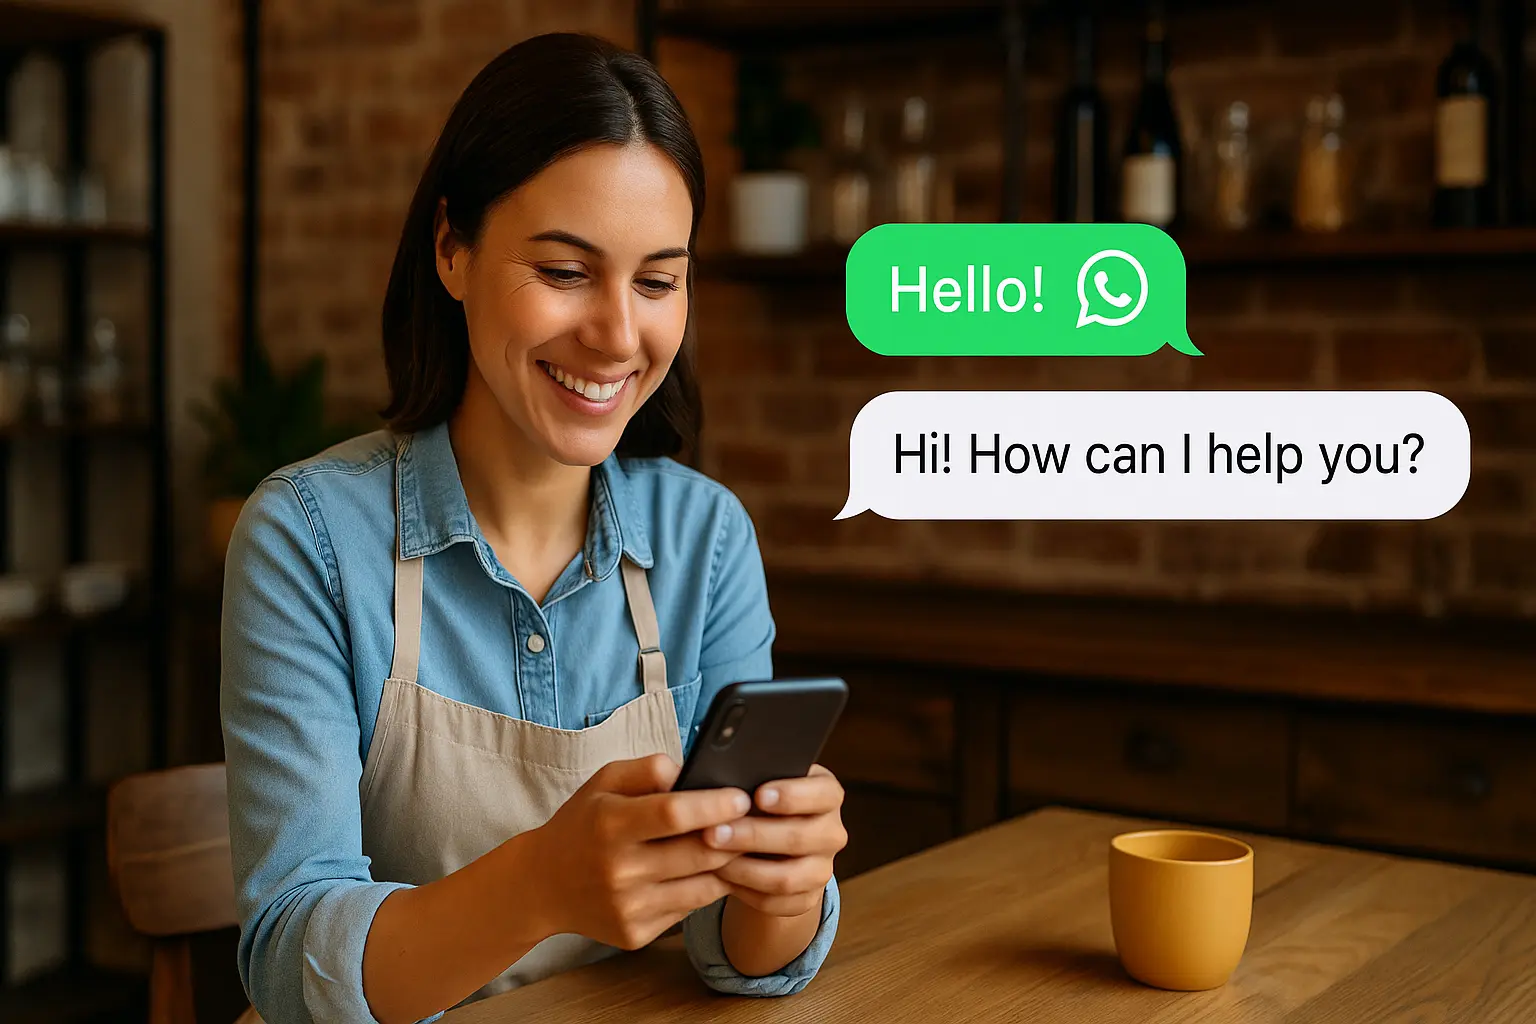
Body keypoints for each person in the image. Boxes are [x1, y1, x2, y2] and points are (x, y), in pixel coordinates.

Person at [219, 32, 846, 1024]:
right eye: (564, 270)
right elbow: (290, 958)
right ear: (451, 249)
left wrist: (786, 882)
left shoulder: (706, 539)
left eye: (656, 281)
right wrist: (540, 886)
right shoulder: (306, 539)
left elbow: (735, 955)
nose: (616, 335)